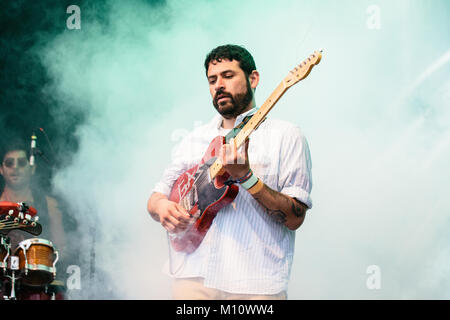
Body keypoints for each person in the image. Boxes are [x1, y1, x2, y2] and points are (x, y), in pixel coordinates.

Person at [147, 44, 313, 300]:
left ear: (253, 78)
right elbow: (156, 198)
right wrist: (162, 208)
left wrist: (247, 178)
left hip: (255, 286)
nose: (218, 85)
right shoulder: (194, 138)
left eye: (228, 75)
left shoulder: (287, 135)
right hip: (191, 279)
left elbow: (295, 218)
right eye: (212, 80)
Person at [0, 140, 66, 258]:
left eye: (21, 163)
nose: (15, 168)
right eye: (9, 163)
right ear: (1, 169)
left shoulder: (49, 204)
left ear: (32, 169)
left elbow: (62, 250)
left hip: (34, 274)